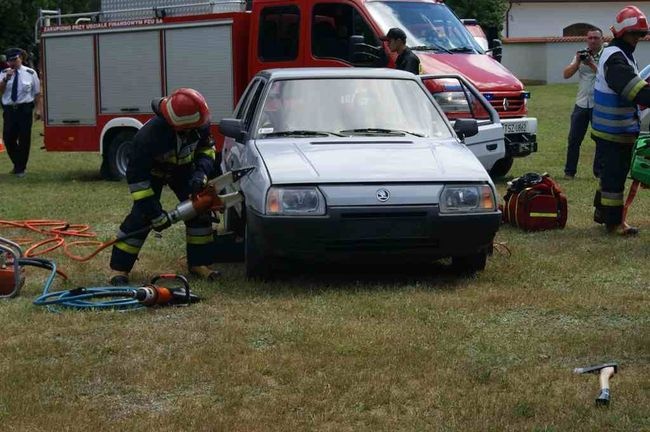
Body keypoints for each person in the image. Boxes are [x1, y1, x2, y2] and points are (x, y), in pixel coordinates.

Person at [109, 88, 221, 285]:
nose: (202, 125)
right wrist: (154, 213)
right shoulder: (147, 137)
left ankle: (199, 263)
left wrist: (200, 173)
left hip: (184, 170)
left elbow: (207, 148)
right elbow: (138, 181)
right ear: (180, 125)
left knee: (199, 209)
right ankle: (120, 270)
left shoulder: (198, 122)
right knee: (141, 218)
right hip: (152, 174)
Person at [591, 5, 650, 236]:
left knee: (609, 175)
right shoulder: (616, 58)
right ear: (624, 33)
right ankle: (614, 224)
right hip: (613, 131)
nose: (639, 39)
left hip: (614, 129)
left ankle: (602, 214)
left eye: (641, 34)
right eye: (636, 34)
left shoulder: (620, 54)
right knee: (614, 179)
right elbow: (634, 91)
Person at [562, 27, 605, 179]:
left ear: (602, 40)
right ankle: (569, 172)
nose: (593, 41)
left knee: (600, 139)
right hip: (581, 103)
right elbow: (566, 74)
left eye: (596, 38)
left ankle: (599, 172)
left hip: (599, 104)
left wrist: (592, 64)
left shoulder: (607, 54)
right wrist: (578, 62)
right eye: (590, 38)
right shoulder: (582, 54)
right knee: (574, 139)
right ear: (587, 40)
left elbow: (607, 76)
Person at [0, 48, 42, 177]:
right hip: (9, 110)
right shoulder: (3, 73)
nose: (13, 63)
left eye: (15, 60)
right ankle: (18, 163)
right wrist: (6, 79)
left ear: (21, 59)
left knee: (24, 139)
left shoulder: (30, 73)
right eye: (10, 60)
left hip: (24, 109)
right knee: (8, 138)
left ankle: (20, 168)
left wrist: (38, 109)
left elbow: (36, 93)